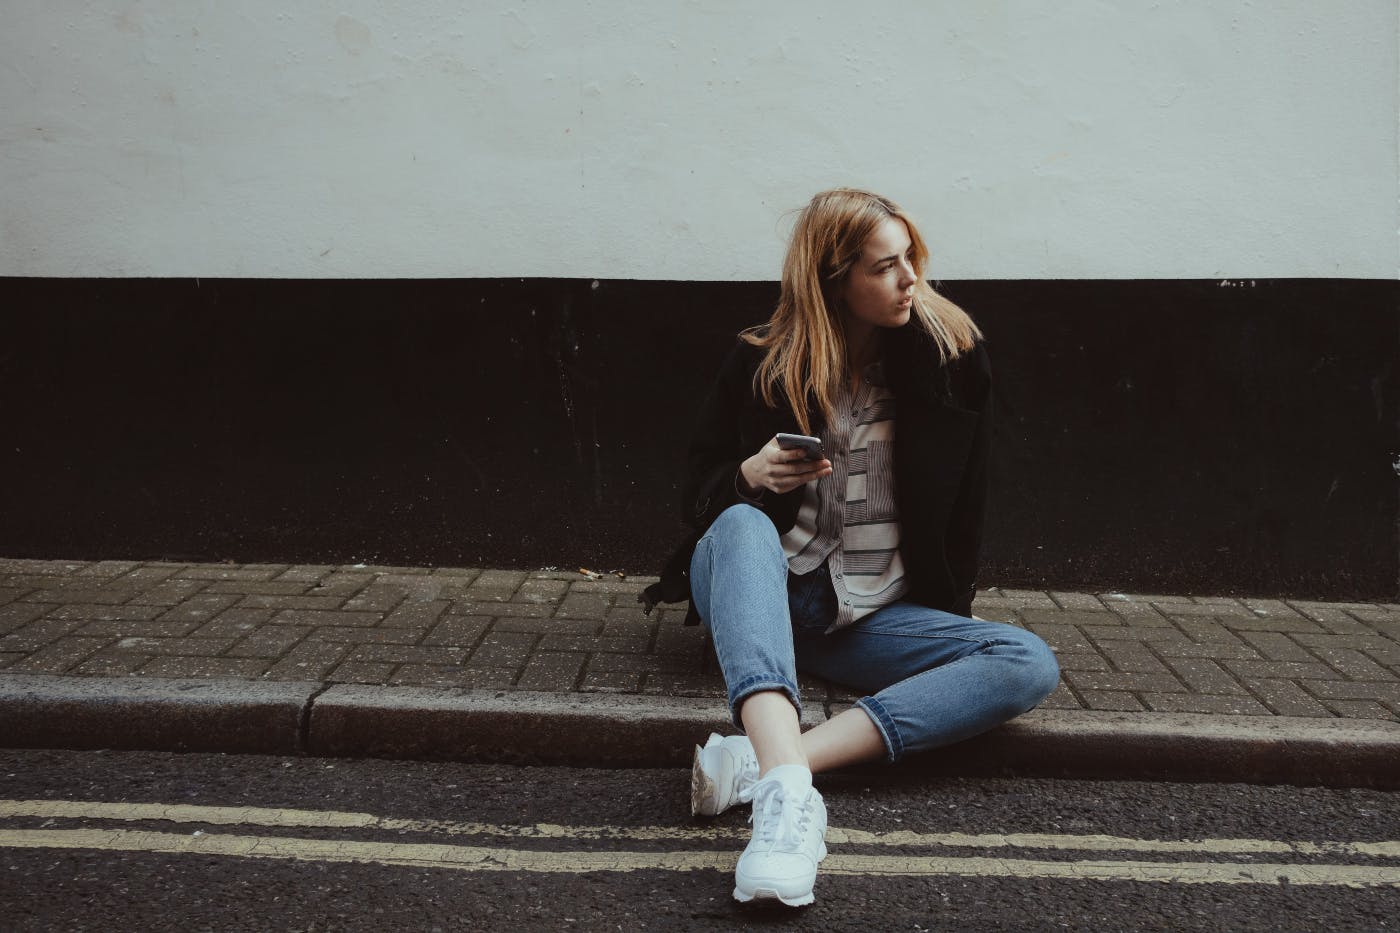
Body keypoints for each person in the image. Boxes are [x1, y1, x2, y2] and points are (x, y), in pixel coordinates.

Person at [640, 188, 1060, 907]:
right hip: (763, 590)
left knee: (1025, 660)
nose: (910, 282)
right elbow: (697, 497)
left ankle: (769, 762)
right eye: (886, 267)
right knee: (743, 523)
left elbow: (969, 505)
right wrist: (748, 475)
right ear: (835, 280)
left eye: (911, 261)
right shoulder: (761, 361)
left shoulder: (951, 360)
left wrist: (946, 625)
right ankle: (789, 814)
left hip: (865, 615)